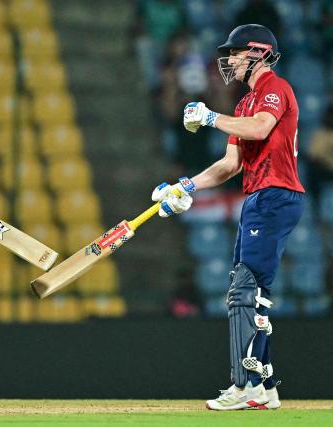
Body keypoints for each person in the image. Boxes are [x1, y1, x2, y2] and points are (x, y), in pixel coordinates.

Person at [152, 24, 304, 410]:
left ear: (257, 53)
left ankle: (245, 386)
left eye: (236, 53)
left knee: (244, 292)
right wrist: (185, 185)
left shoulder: (275, 89)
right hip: (260, 196)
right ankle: (263, 386)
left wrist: (208, 117)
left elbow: (260, 129)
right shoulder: (243, 104)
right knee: (256, 296)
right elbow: (229, 164)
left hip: (275, 194)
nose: (229, 60)